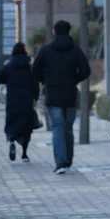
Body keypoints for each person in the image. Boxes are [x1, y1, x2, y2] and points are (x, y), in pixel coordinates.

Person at [32, 20, 90, 174]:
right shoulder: (75, 50)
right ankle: (68, 160)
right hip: (70, 93)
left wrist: (46, 80)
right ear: (69, 31)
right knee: (68, 128)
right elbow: (86, 70)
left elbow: (35, 68)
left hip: (53, 92)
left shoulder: (46, 50)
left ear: (54, 32)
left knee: (57, 126)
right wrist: (74, 79)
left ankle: (61, 162)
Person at [0, 42, 39, 163]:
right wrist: (34, 98)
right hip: (27, 101)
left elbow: (0, 79)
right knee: (27, 127)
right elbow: (35, 85)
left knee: (12, 123)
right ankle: (24, 154)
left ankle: (11, 140)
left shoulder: (9, 66)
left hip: (13, 100)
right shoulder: (30, 66)